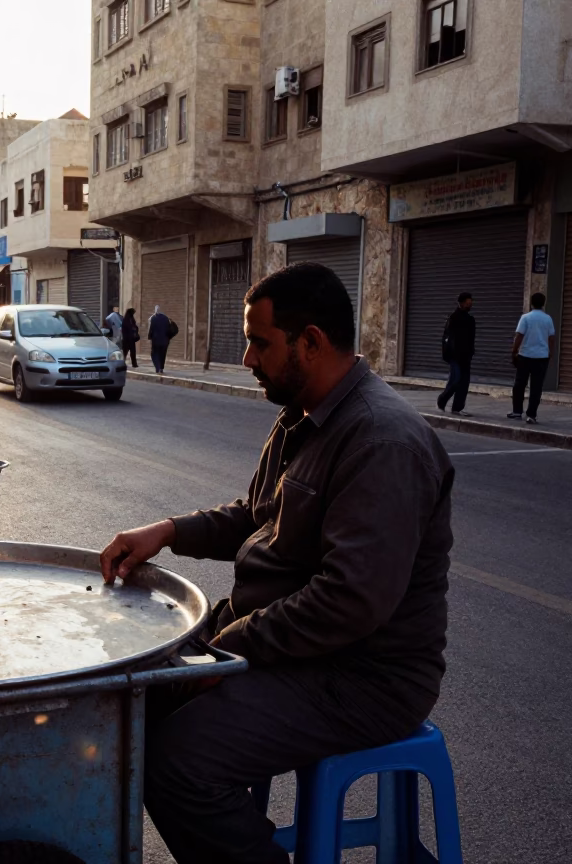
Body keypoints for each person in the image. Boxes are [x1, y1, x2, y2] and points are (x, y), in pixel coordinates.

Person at [100, 263, 453, 864]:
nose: (246, 359)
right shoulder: (302, 416)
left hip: (363, 676)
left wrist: (231, 652)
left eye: (259, 343)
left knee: (178, 762)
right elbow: (256, 515)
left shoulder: (382, 441)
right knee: (122, 696)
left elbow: (348, 601)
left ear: (310, 343)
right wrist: (165, 532)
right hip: (285, 646)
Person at [508, 292, 556, 425]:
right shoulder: (548, 319)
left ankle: (517, 411)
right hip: (541, 358)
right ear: (543, 304)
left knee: (519, 385)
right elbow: (551, 338)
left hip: (525, 356)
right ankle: (532, 415)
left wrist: (514, 351)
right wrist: (550, 353)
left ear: (531, 303)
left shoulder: (525, 318)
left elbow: (519, 336)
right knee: (536, 387)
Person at [437, 292, 475, 416]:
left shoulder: (470, 320)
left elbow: (471, 339)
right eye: (467, 302)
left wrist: (471, 352)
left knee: (464, 382)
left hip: (466, 355)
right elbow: (446, 337)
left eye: (471, 302)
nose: (470, 304)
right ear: (461, 303)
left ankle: (457, 408)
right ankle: (442, 400)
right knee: (455, 379)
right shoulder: (453, 318)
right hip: (454, 355)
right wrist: (447, 353)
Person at [147, 305, 173, 373]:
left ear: (155, 310)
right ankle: (161, 368)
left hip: (156, 340)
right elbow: (169, 330)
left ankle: (157, 367)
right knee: (163, 354)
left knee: (154, 354)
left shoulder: (153, 318)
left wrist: (149, 338)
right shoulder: (166, 318)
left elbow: (151, 329)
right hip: (165, 341)